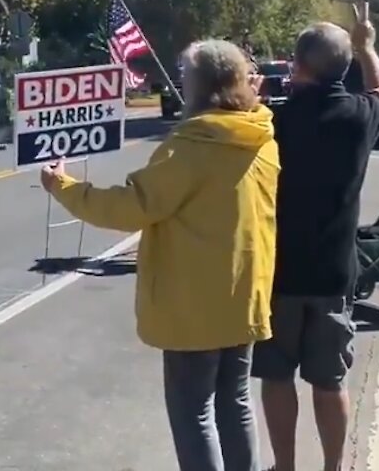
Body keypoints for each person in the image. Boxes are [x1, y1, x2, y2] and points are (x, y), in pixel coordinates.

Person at [40, 39, 280, 471]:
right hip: (245, 294)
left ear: (200, 85)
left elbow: (130, 207)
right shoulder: (262, 136)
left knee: (194, 414)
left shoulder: (189, 146)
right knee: (236, 403)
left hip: (194, 306)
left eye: (186, 76)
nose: (181, 83)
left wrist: (64, 186)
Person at [252, 2, 379, 471]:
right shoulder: (359, 117)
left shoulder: (274, 121)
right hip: (334, 274)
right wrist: (367, 45)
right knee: (330, 380)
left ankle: (285, 467)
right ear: (344, 66)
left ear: (298, 66)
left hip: (280, 272)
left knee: (276, 375)